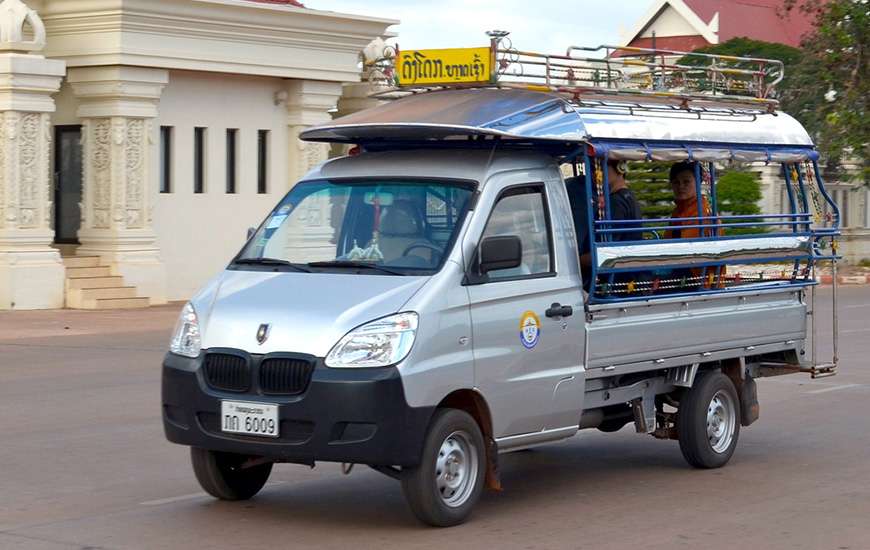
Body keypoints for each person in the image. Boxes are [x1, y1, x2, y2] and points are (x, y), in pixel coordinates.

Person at [580, 159, 643, 291]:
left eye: (601, 168)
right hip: (627, 276)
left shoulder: (615, 203)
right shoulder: (628, 197)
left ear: (620, 168)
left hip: (615, 281)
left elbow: (605, 252)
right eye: (593, 169)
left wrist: (575, 261)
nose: (596, 174)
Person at [666, 161, 718, 239]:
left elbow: (688, 244)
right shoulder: (678, 210)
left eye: (686, 182)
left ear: (698, 183)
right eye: (676, 182)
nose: (681, 186)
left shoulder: (702, 211)